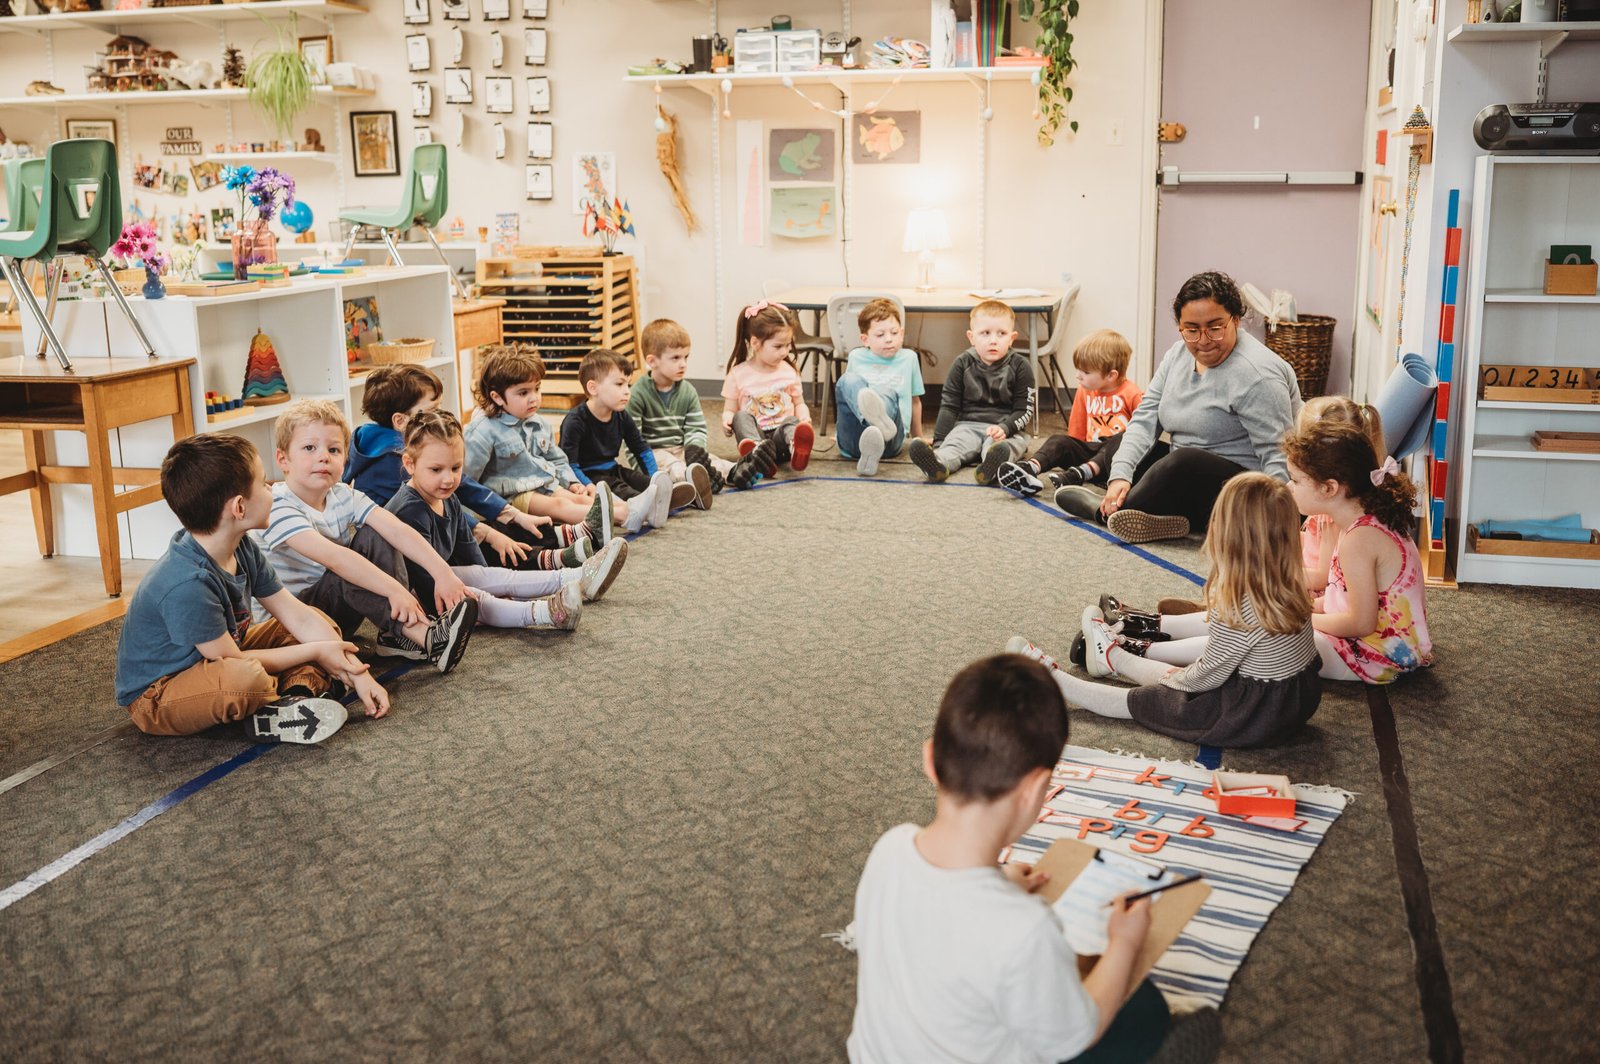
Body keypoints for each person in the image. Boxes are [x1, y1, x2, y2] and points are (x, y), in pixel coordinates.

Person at [849, 654, 1189, 1064]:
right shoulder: (1024, 929)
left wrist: (999, 881)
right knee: (1141, 1007)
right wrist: (1124, 943)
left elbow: (942, 924)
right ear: (1035, 790)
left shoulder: (890, 848)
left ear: (930, 759)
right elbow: (1083, 1031)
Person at [1010, 474, 1322, 748]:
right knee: (1180, 677)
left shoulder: (1243, 604)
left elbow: (1204, 678)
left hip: (1251, 715)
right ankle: (1113, 657)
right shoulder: (1288, 580)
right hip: (1291, 702)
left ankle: (1051, 681)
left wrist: (1170, 682)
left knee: (1148, 700)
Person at [114, 434, 387, 744]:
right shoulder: (187, 582)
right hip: (160, 693)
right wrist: (319, 652)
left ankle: (295, 698)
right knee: (248, 680)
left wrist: (356, 672)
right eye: (263, 483)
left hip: (226, 655)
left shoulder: (241, 546)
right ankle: (274, 703)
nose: (271, 488)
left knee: (319, 622)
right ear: (240, 507)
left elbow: (297, 617)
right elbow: (232, 662)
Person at [1055, 271, 1300, 544]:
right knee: (1119, 446)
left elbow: (1280, 456)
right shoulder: (1176, 355)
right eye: (1191, 330)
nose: (1203, 340)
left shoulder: (1258, 376)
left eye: (1215, 327)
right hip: (1187, 478)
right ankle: (1157, 514)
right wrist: (1120, 476)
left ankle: (1109, 512)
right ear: (1181, 327)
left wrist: (1276, 524)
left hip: (1238, 490)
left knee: (1182, 462)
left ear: (1236, 320)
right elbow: (1145, 419)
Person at [256, 399, 478, 673]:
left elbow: (396, 530)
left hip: (334, 617)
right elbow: (335, 559)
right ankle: (426, 637)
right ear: (283, 460)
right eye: (309, 448)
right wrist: (396, 590)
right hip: (288, 627)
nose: (323, 456)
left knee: (380, 530)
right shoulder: (276, 504)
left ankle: (396, 636)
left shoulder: (342, 495)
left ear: (345, 458)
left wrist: (443, 573)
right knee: (347, 565)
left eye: (334, 449)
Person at [388, 409, 631, 631]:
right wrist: (481, 593)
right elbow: (423, 581)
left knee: (500, 577)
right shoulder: (410, 509)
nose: (448, 479)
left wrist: (490, 579)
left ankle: (577, 577)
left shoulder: (447, 497)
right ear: (410, 464)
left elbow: (469, 549)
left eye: (456, 467)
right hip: (414, 597)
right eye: (436, 470)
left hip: (442, 579)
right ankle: (546, 613)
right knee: (480, 598)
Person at [345, 363, 587, 573]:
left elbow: (464, 485)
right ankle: (551, 560)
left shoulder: (405, 441)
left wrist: (510, 513)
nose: (439, 416)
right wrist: (487, 531)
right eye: (432, 411)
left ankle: (562, 536)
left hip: (434, 529)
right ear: (400, 421)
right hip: (412, 555)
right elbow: (444, 514)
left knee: (492, 524)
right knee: (485, 540)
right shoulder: (393, 459)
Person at [1283, 421, 1433, 683]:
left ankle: (1191, 658)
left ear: (1329, 488)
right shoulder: (1355, 524)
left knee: (1266, 639)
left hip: (1375, 654)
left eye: (1295, 480)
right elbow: (1339, 598)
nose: (1288, 487)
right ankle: (1186, 631)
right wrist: (1302, 607)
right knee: (1264, 621)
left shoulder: (1360, 538)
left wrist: (1304, 619)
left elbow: (1361, 623)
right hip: (1370, 645)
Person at [462, 343, 643, 538]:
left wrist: (572, 482)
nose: (534, 399)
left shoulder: (538, 423)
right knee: (560, 505)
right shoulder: (482, 431)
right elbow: (467, 479)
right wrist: (477, 517)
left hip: (543, 484)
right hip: (510, 497)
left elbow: (557, 459)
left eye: (537, 389)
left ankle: (633, 508)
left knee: (576, 498)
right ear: (497, 397)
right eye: (523, 393)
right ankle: (624, 515)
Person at [996, 328, 1142, 496]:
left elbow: (1143, 432)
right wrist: (1071, 447)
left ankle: (1079, 474)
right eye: (1078, 370)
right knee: (1059, 440)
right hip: (1088, 451)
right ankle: (1030, 468)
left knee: (1119, 442)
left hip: (1114, 461)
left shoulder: (1132, 394)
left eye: (1086, 372)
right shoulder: (1085, 390)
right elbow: (1077, 426)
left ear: (1111, 375)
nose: (1078, 376)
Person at [907, 300, 1033, 484]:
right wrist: (940, 443)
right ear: (971, 337)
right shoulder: (961, 363)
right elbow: (949, 406)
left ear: (1012, 338)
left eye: (1002, 333)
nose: (993, 340)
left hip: (1006, 428)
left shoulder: (1021, 366)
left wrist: (1005, 428)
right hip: (968, 425)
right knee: (954, 444)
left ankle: (993, 466)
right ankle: (937, 465)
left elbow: (1025, 411)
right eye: (985, 333)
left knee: (1005, 446)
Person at [560, 348, 686, 522]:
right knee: (626, 491)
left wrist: (655, 477)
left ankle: (665, 496)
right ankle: (650, 506)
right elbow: (570, 466)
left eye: (628, 384)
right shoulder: (575, 421)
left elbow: (641, 449)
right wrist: (588, 485)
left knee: (643, 482)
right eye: (619, 384)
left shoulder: (621, 415)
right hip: (591, 476)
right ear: (593, 387)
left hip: (613, 469)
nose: (627, 391)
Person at [626, 318, 735, 508]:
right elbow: (632, 440)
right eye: (675, 358)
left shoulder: (688, 391)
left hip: (681, 450)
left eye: (686, 357)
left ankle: (736, 473)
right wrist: (644, 471)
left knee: (717, 463)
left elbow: (696, 427)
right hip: (654, 453)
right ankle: (694, 484)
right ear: (653, 361)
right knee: (675, 467)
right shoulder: (637, 394)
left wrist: (694, 449)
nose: (683, 364)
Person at [1292, 397, 1386, 593]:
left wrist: (1276, 574)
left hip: (1322, 598)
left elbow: (1321, 578)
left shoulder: (1334, 516)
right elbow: (1312, 543)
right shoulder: (1332, 502)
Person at [833, 298, 926, 477]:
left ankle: (878, 426)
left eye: (894, 332)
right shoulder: (856, 356)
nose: (889, 339)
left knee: (886, 391)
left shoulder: (909, 358)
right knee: (847, 380)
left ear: (902, 333)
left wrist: (918, 438)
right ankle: (870, 423)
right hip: (853, 441)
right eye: (880, 335)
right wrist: (841, 430)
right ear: (865, 339)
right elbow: (848, 399)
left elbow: (915, 401)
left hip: (890, 440)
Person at [721, 300, 812, 478]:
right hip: (757, 434)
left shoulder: (789, 371)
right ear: (755, 343)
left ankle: (797, 449)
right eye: (778, 346)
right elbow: (729, 409)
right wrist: (727, 419)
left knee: (792, 421)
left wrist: (804, 417)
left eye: (787, 345)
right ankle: (758, 454)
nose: (785, 352)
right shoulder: (738, 374)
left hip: (781, 440)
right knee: (741, 416)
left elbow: (799, 403)